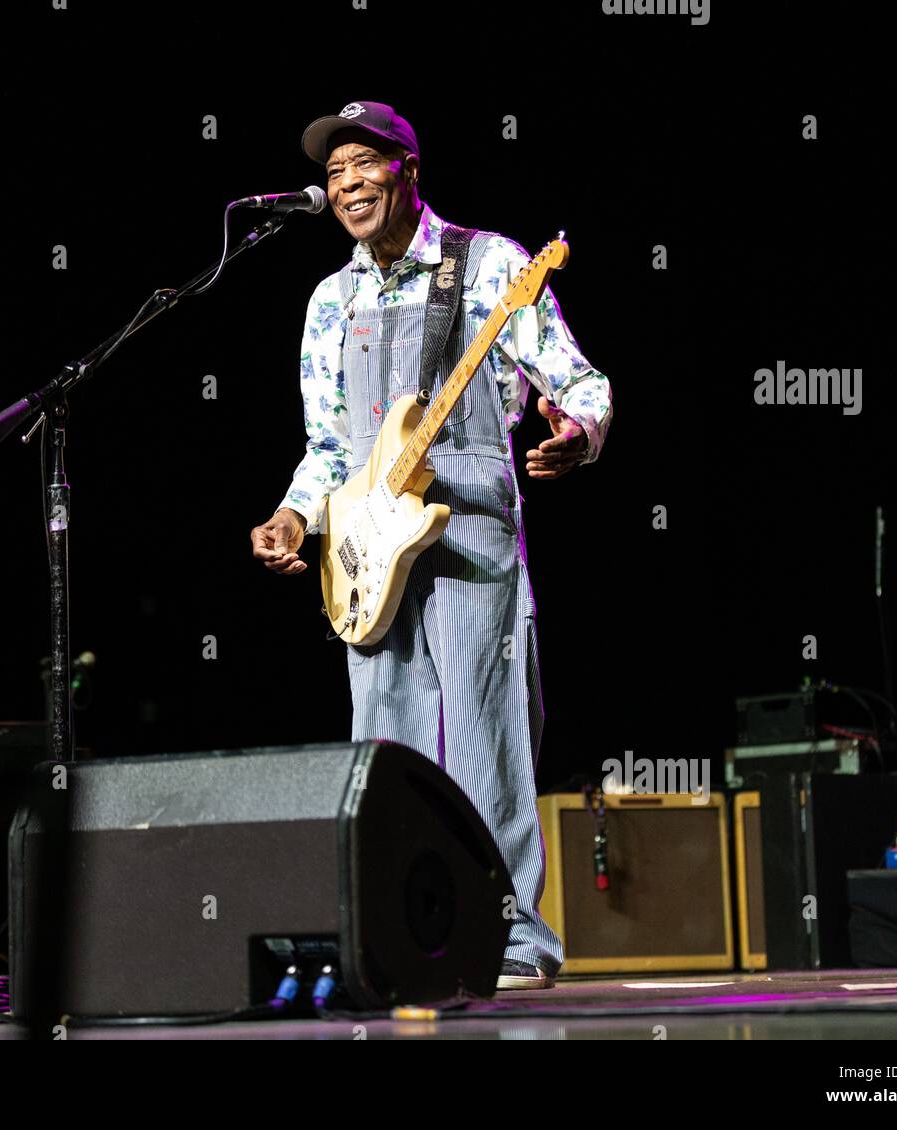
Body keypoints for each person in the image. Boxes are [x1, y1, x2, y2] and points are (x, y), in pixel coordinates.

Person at [250, 102, 612, 991]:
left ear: (408, 171)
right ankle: (395, 932)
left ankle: (514, 938)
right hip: (370, 539)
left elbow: (574, 378)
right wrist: (298, 517)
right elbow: (328, 445)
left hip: (471, 527)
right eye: (333, 176)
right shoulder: (330, 301)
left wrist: (580, 427)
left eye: (362, 166)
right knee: (384, 743)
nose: (344, 188)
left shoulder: (488, 263)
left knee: (486, 738)